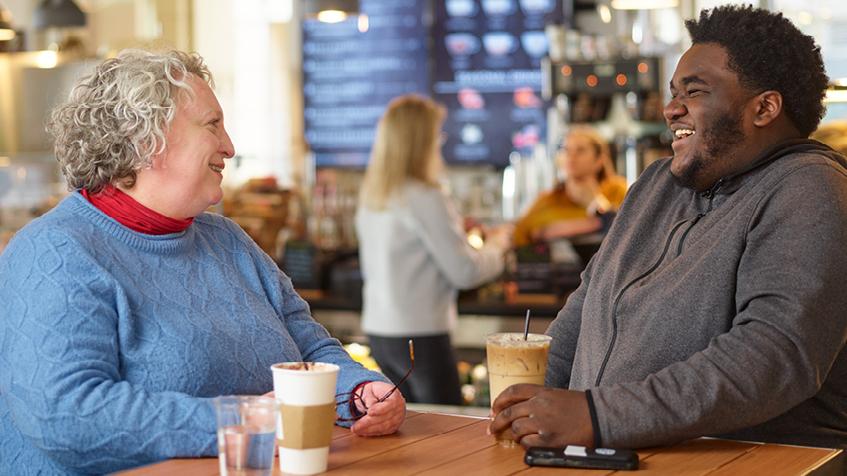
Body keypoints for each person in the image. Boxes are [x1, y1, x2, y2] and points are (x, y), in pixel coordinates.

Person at [0, 49, 405, 475]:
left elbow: (312, 350)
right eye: (213, 125)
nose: (228, 147)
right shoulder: (54, 252)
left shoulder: (227, 240)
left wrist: (359, 390)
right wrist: (241, 420)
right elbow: (66, 417)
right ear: (147, 140)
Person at [490, 5, 847, 450]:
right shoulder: (657, 185)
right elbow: (585, 310)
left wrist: (600, 416)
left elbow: (774, 354)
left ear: (765, 108)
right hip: (620, 456)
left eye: (693, 92)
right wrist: (530, 401)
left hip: (752, 461)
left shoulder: (810, 187)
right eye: (673, 91)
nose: (671, 108)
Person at [356, 94, 512, 405]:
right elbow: (465, 272)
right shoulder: (424, 195)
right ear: (420, 141)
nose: (439, 145)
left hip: (380, 330)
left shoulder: (374, 194)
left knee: (405, 426)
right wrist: (499, 245)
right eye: (436, 136)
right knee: (445, 427)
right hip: (420, 332)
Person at [512, 126, 627, 247]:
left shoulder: (617, 189)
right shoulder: (548, 198)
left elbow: (625, 230)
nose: (571, 157)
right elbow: (519, 234)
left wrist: (595, 203)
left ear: (599, 160)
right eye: (566, 150)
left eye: (580, 150)